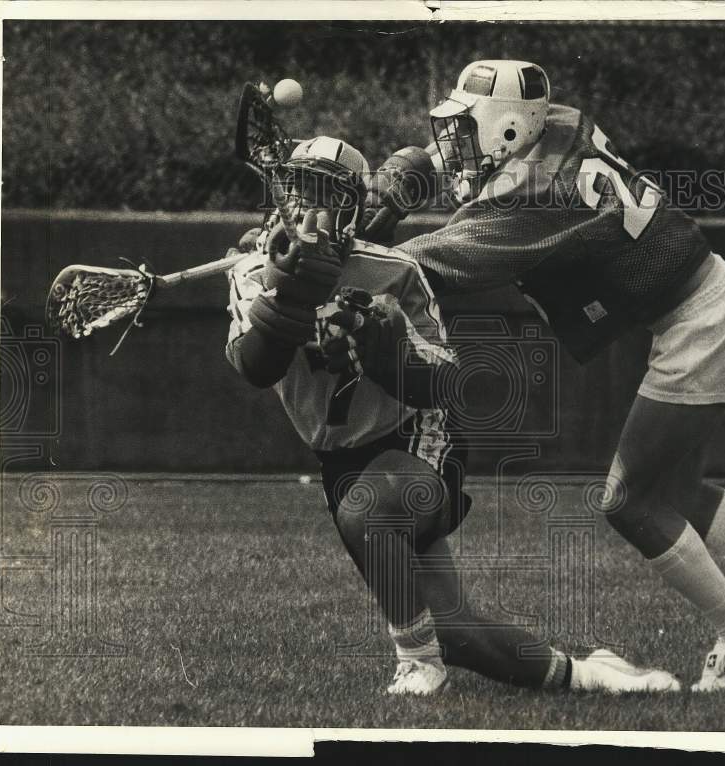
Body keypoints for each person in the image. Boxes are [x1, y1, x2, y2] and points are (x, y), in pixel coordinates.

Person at [359, 60, 725, 692]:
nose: (451, 145)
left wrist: (339, 251)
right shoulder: (561, 125)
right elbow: (483, 167)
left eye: (465, 131)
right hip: (713, 303)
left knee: (627, 501)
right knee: (675, 490)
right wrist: (419, 171)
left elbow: (424, 263)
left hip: (700, 324)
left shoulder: (533, 197)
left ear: (511, 131)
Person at [225, 134, 681, 696]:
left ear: (350, 207)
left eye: (324, 193)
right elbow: (255, 366)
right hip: (340, 459)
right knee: (457, 631)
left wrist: (380, 344)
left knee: (370, 513)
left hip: (418, 439)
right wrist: (287, 300)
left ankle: (417, 665)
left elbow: (442, 380)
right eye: (296, 191)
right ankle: (594, 674)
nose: (306, 208)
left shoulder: (394, 270)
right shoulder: (252, 271)